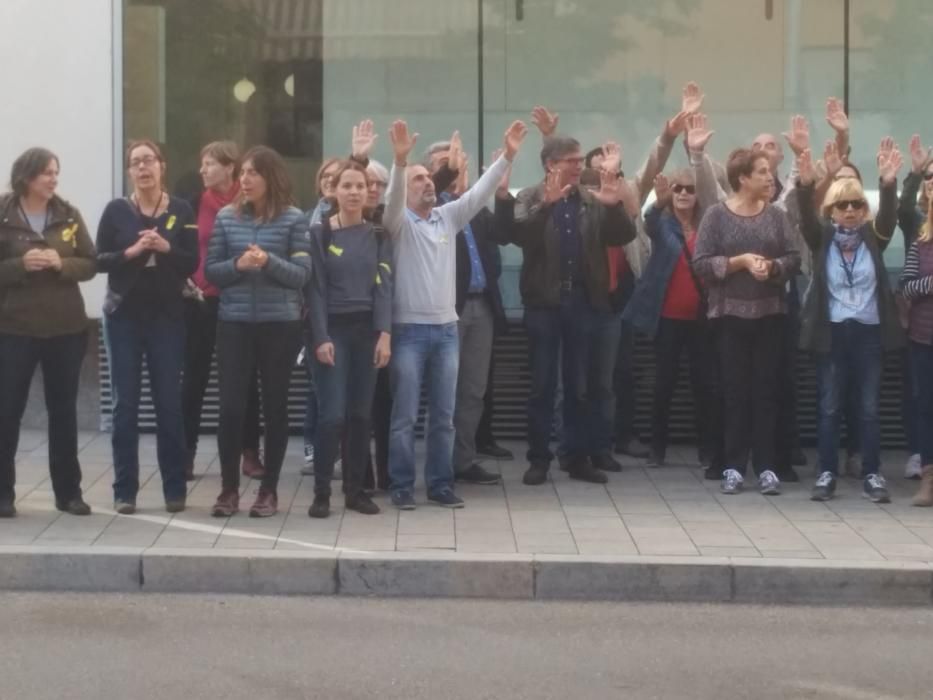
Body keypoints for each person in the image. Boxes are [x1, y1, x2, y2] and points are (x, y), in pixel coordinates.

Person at [382, 119, 527, 510]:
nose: (427, 183)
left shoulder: (448, 216)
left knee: (444, 416)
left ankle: (440, 484)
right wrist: (399, 163)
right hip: (409, 331)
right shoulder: (397, 224)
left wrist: (508, 156)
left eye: (429, 179)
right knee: (405, 415)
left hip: (446, 330)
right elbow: (393, 200)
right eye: (418, 180)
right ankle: (400, 485)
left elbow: (479, 194)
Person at [505, 134, 637, 485]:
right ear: (552, 165)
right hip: (543, 304)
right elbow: (520, 237)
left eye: (580, 160)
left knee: (579, 386)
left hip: (582, 302)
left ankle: (577, 457)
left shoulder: (591, 201)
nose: (580, 166)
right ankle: (538, 459)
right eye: (572, 161)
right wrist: (546, 206)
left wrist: (613, 204)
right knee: (542, 385)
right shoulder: (530, 197)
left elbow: (623, 236)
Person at [205, 146, 311, 517]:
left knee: (275, 408)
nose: (245, 180)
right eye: (244, 173)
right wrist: (238, 263)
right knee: (231, 408)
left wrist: (267, 261)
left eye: (254, 173)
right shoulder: (225, 218)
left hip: (279, 325)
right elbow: (212, 272)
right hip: (234, 323)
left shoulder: (294, 219)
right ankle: (228, 489)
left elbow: (301, 275)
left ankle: (268, 491)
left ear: (271, 178)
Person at [796, 141, 904, 503]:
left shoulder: (874, 238)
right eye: (843, 204)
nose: (851, 211)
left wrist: (888, 183)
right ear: (832, 210)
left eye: (857, 204)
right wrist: (807, 184)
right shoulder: (822, 238)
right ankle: (826, 473)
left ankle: (872, 474)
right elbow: (806, 219)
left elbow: (889, 218)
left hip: (869, 332)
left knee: (869, 407)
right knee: (829, 405)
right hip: (832, 332)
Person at [97, 140, 198, 514]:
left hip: (167, 316)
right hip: (124, 315)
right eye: (136, 162)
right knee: (125, 405)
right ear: (129, 171)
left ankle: (174, 489)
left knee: (168, 404)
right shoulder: (116, 211)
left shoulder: (181, 209)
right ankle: (124, 491)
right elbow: (99, 261)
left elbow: (191, 262)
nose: (143, 168)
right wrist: (132, 252)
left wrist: (166, 248)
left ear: (162, 166)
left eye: (149, 160)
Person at [693, 147, 801, 496]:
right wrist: (738, 262)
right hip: (728, 319)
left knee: (766, 393)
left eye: (769, 171)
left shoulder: (776, 216)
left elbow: (794, 258)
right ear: (742, 178)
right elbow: (701, 264)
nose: (770, 177)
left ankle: (767, 467)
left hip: (770, 315)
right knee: (734, 394)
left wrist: (773, 267)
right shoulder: (715, 216)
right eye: (762, 171)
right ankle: (733, 467)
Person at [0, 148, 96, 517]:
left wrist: (62, 263)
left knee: (63, 412)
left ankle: (69, 493)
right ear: (27, 177)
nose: (54, 179)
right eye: (46, 173)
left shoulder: (67, 214)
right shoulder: (5, 213)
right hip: (14, 329)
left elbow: (90, 261)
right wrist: (19, 265)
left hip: (65, 329)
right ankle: (3, 495)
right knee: (7, 412)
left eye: (56, 172)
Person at [423, 133, 514, 486]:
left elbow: (505, 234)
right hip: (449, 311)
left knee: (474, 390)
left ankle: (463, 460)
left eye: (457, 163)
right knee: (444, 390)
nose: (455, 169)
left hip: (482, 308)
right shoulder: (427, 212)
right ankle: (439, 465)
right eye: (446, 166)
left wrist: (502, 194)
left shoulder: (472, 209)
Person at [306, 160, 393, 518]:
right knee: (332, 416)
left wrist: (385, 334)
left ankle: (355, 491)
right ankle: (321, 491)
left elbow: (386, 289)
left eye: (362, 185)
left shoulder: (378, 235)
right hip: (332, 332)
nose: (356, 192)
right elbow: (315, 290)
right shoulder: (320, 234)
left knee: (360, 415)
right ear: (334, 192)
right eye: (348, 186)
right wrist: (321, 336)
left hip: (367, 332)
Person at [180, 140, 265, 482]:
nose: (203, 170)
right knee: (193, 379)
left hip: (238, 299)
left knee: (245, 380)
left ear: (230, 168)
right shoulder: (192, 202)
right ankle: (185, 454)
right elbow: (182, 247)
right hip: (199, 299)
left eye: (210, 164)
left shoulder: (249, 203)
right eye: (202, 164)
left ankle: (249, 453)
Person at [622, 170, 717, 469]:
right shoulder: (663, 226)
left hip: (702, 317)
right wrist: (659, 201)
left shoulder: (708, 226)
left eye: (690, 188)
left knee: (704, 385)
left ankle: (708, 450)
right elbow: (648, 220)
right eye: (678, 189)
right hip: (668, 318)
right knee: (663, 384)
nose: (684, 193)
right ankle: (657, 449)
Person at [896, 134, 932, 480]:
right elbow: (902, 207)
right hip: (922, 329)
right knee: (920, 396)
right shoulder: (918, 225)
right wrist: (915, 172)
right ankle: (921, 457)